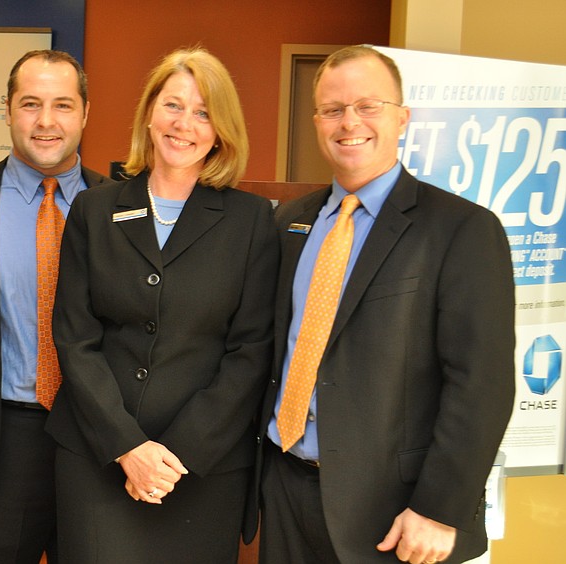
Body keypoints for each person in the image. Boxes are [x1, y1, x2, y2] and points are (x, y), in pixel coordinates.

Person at [250, 45, 515, 564]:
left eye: (367, 105)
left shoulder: (461, 229)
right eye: (332, 109)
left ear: (402, 118)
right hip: (285, 493)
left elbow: (481, 384)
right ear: (316, 121)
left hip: (395, 515)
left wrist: (440, 508)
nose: (350, 122)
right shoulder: (289, 224)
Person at [45, 46, 280, 564]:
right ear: (149, 112)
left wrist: (174, 456)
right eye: (173, 105)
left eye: (203, 113)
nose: (184, 124)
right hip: (99, 457)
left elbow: (251, 352)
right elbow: (75, 339)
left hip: (201, 468)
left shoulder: (252, 221)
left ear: (221, 130)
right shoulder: (95, 208)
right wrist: (128, 447)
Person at [0, 49, 111, 564]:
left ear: (85, 113)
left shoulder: (124, 208)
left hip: (100, 443)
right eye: (31, 104)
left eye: (63, 105)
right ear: (7, 109)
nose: (46, 122)